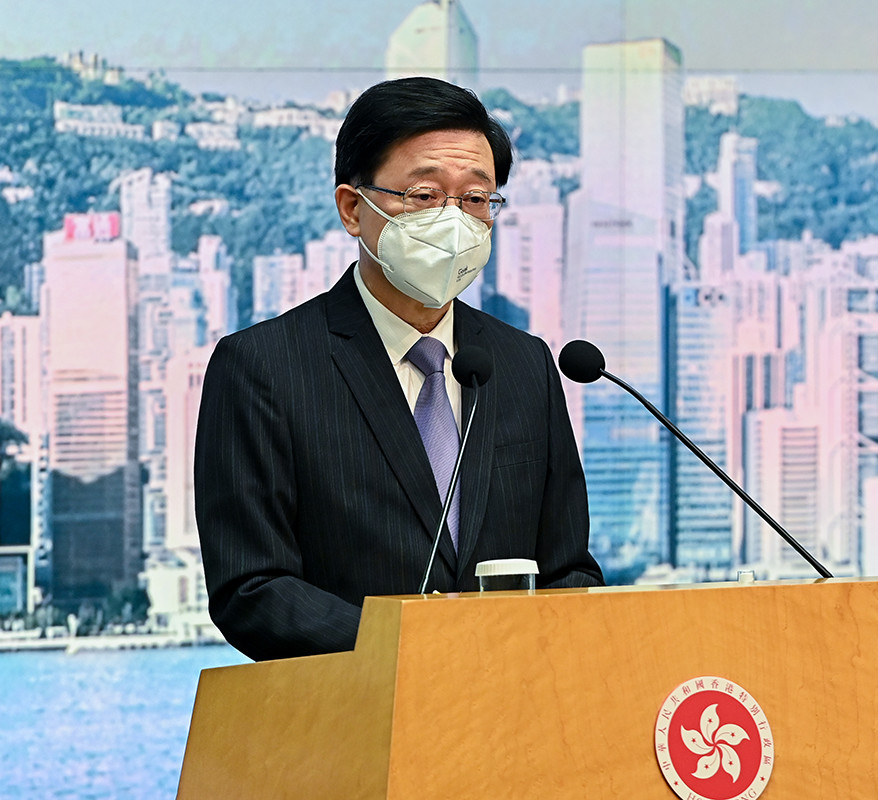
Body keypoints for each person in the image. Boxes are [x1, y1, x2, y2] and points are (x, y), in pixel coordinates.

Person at [194, 77, 603, 662]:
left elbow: (568, 569)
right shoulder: (264, 368)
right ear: (352, 209)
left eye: (475, 198)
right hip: (353, 704)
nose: (454, 220)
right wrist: (416, 653)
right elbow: (252, 589)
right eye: (424, 195)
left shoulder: (523, 363)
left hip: (514, 704)